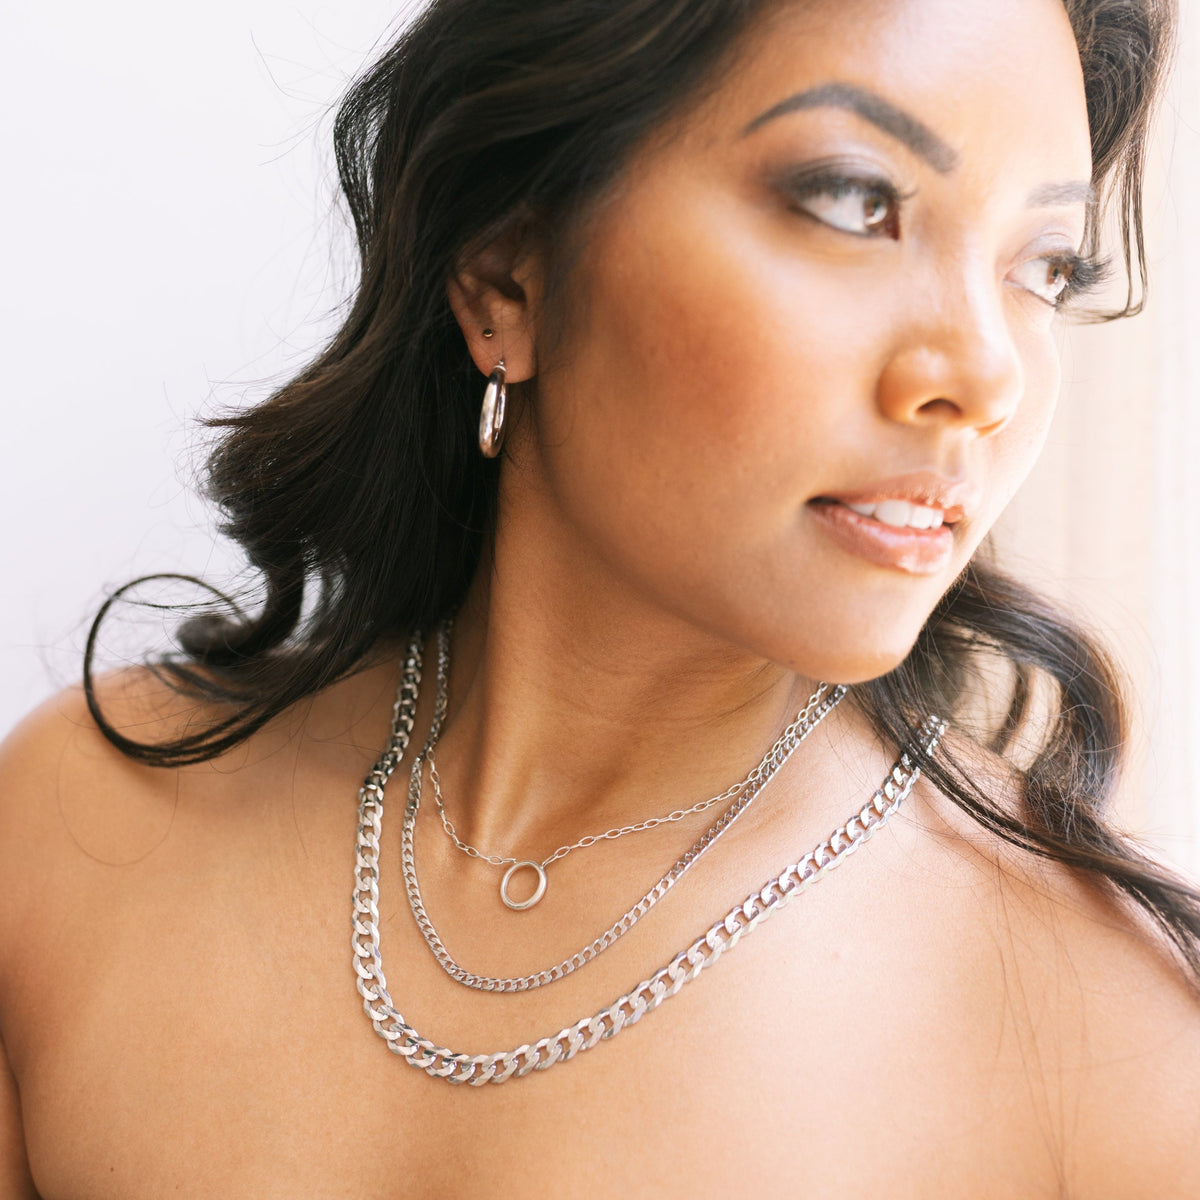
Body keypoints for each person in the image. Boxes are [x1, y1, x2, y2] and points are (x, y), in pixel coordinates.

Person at [2, 0, 1199, 1193]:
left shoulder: (1123, 1057)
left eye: (1047, 267)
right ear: (505, 272)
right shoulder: (70, 842)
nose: (987, 375)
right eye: (852, 200)